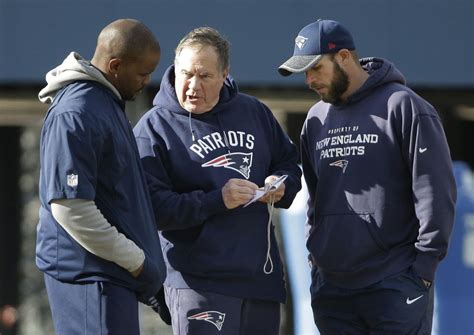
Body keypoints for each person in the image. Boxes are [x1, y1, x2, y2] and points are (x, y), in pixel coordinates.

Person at [278, 19, 457, 334]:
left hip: (395, 284)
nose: (308, 80)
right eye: (303, 72)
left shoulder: (405, 107)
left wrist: (423, 270)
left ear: (344, 57)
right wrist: (316, 261)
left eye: (315, 68)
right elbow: (316, 200)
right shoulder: (315, 119)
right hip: (332, 289)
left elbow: (435, 192)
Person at [134, 27, 302, 334]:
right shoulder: (154, 128)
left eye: (205, 76)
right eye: (186, 74)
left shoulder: (254, 113)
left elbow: (290, 164)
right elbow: (151, 208)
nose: (192, 85)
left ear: (225, 74)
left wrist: (281, 183)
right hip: (197, 283)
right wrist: (217, 200)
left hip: (259, 282)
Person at [36, 18, 168, 334]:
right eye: (142, 73)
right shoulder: (77, 112)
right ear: (115, 65)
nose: (146, 81)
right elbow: (72, 209)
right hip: (90, 279)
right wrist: (138, 262)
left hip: (108, 279)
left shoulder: (104, 103)